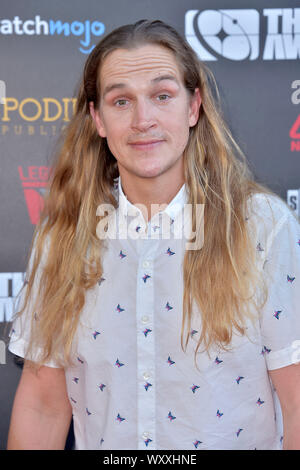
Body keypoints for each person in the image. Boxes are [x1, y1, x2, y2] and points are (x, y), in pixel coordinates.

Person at [7, 19, 300, 450]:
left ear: (194, 107)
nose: (144, 120)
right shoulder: (63, 239)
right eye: (121, 101)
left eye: (162, 96)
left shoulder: (262, 228)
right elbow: (44, 405)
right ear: (97, 118)